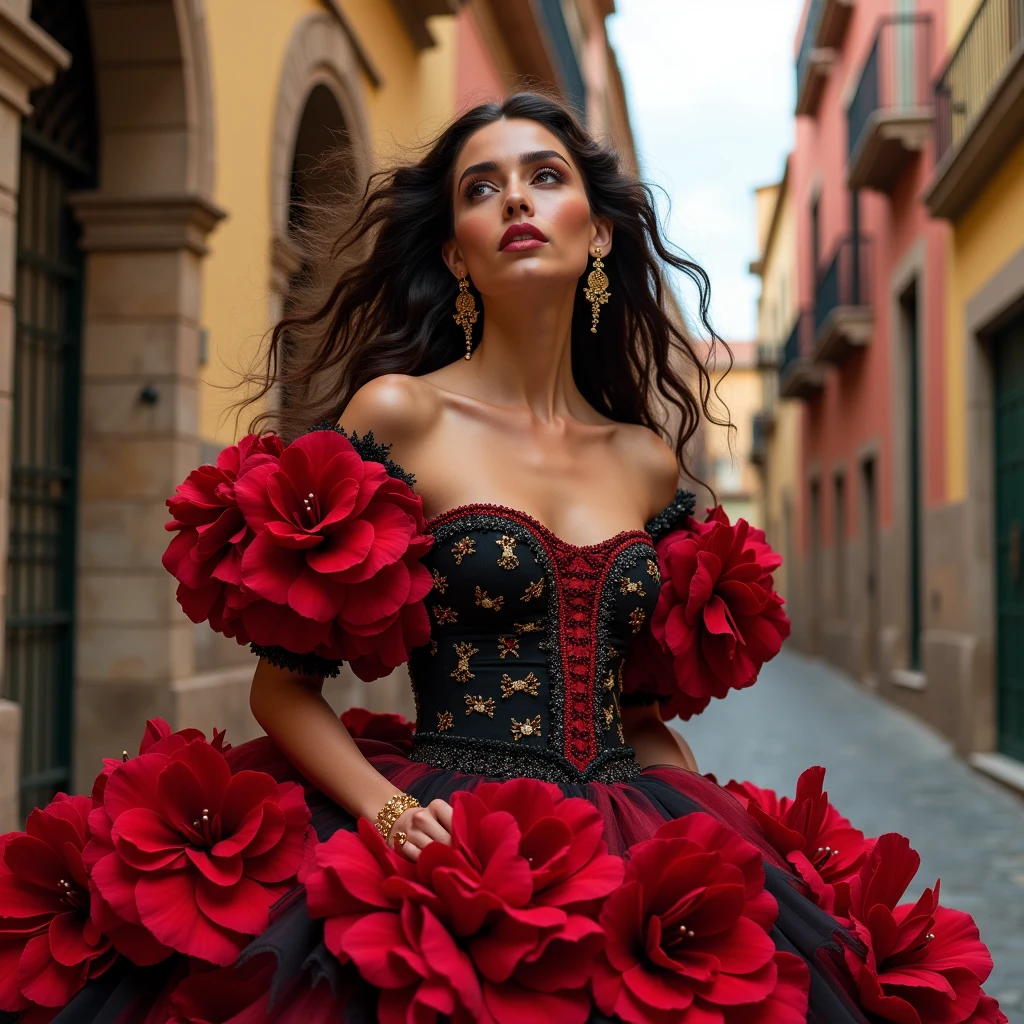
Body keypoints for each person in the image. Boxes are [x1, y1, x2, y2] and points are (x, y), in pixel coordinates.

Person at [0, 93, 1004, 1024]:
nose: (515, 197)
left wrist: (696, 828)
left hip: (620, 847)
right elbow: (283, 692)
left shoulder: (646, 462)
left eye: (545, 175)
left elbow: (642, 715)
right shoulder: (403, 413)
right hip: (440, 852)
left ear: (598, 231)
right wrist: (389, 816)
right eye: (481, 187)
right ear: (457, 250)